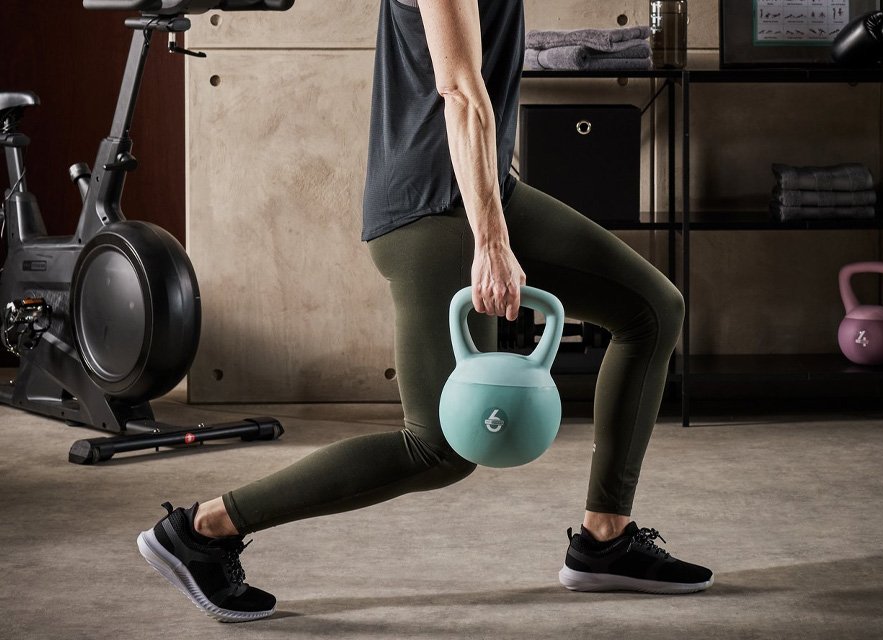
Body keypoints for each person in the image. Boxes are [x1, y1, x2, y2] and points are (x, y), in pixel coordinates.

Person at [136, 0, 712, 623]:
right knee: (439, 446)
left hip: (481, 188)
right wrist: (491, 243)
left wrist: (495, 200)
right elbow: (460, 91)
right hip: (431, 211)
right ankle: (203, 530)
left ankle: (606, 539)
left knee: (652, 308)